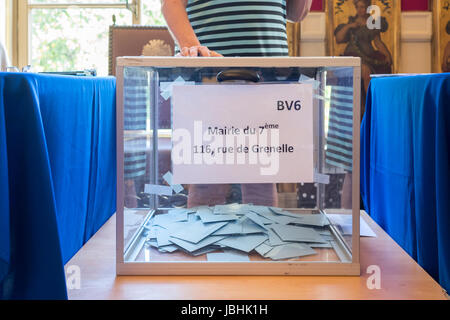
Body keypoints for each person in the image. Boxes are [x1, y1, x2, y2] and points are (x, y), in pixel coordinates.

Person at [161, 0, 312, 207]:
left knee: (261, 179)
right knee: (207, 181)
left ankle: (263, 239)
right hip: (210, 72)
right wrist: (194, 51)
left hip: (266, 75)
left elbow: (297, 13)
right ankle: (203, 240)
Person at [334, 0, 392, 101]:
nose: (360, 10)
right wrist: (349, 26)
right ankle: (358, 104)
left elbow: (378, 42)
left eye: (363, 7)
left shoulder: (372, 23)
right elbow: (339, 38)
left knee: (373, 72)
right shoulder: (351, 22)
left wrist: (387, 55)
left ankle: (370, 104)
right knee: (365, 71)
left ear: (367, 8)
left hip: (368, 55)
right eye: (358, 7)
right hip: (353, 55)